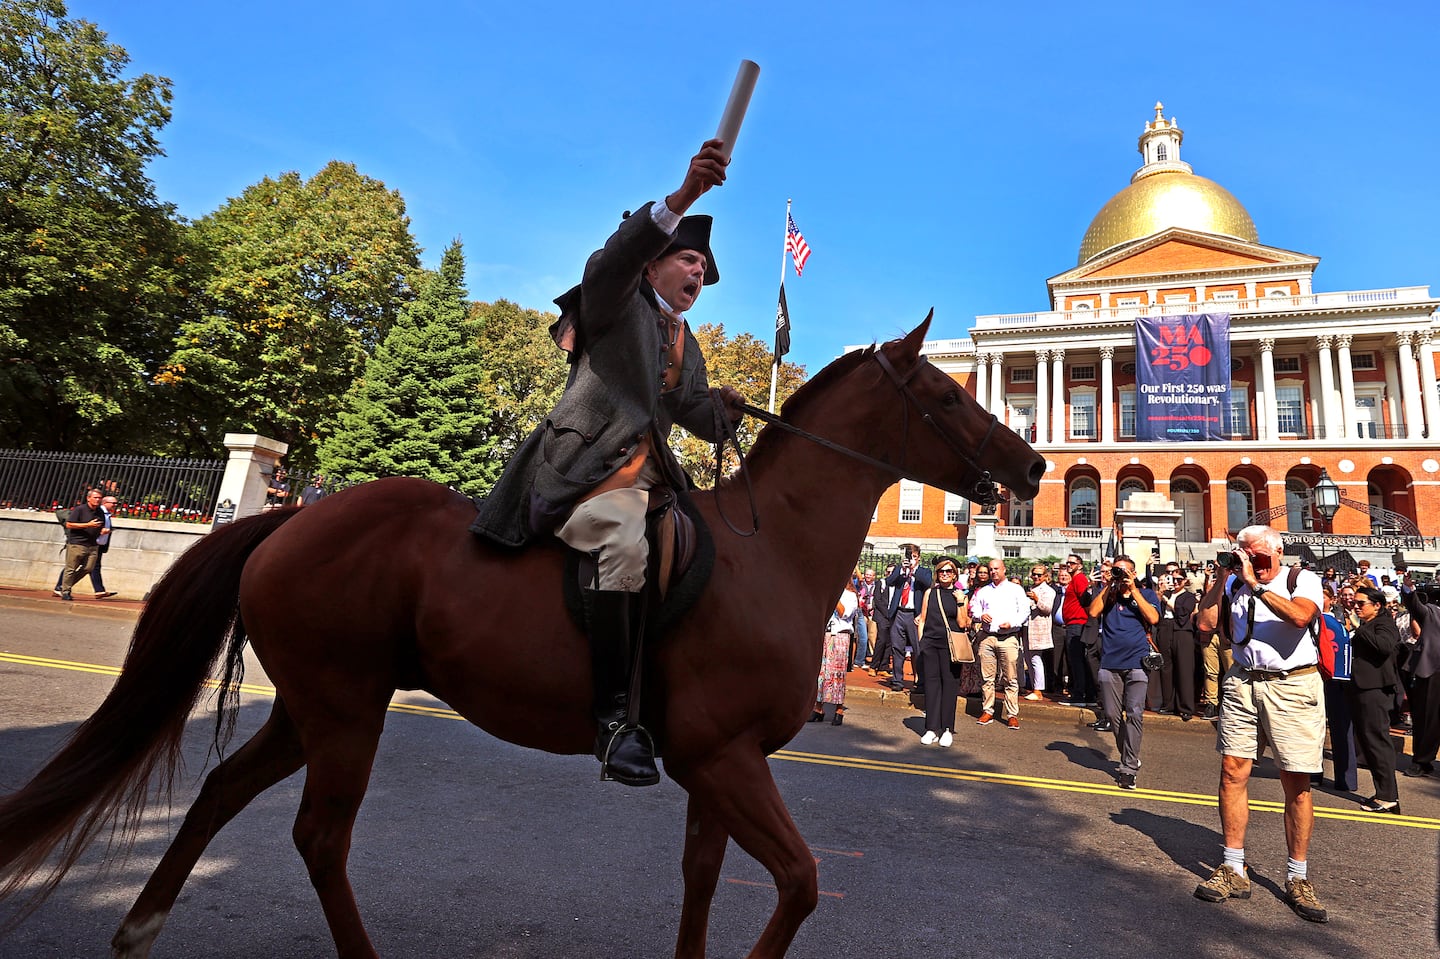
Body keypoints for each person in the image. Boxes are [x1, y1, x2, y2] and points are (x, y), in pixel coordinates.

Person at [469, 139, 744, 787]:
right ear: (652, 265)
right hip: (581, 471)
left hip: (651, 479)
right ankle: (615, 719)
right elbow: (610, 257)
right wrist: (681, 199)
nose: (699, 272)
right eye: (688, 258)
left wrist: (724, 410)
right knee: (621, 543)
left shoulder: (681, 334)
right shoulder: (616, 294)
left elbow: (694, 411)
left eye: (705, 266)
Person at [1194, 525, 1329, 923]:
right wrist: (1222, 580)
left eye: (1259, 557)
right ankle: (1234, 867)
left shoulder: (1300, 579)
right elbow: (1205, 624)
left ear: (1279, 551)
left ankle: (1297, 875)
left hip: (1293, 685)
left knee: (1296, 783)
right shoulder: (1235, 583)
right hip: (1243, 680)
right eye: (1245, 556)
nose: (1252, 563)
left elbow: (1301, 617)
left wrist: (1256, 585)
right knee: (1231, 773)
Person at [1087, 555, 1160, 788]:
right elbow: (1093, 612)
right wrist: (1109, 584)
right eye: (1115, 570)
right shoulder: (1109, 595)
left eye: (1123, 571)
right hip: (1110, 663)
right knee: (1111, 714)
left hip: (1138, 663)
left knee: (1135, 714)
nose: (1119, 574)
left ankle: (1128, 767)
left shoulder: (1146, 594)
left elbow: (1154, 618)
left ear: (1134, 573)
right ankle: (1129, 754)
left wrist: (1133, 589)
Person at [1344, 585, 1402, 813]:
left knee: (1377, 742)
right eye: (1354, 603)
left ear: (1377, 606)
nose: (1355, 607)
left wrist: (1359, 628)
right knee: (1368, 741)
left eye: (1361, 604)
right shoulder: (1370, 624)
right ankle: (1383, 793)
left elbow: (1385, 647)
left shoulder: (1384, 623)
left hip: (1375, 690)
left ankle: (1388, 797)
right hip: (1361, 687)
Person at [914, 557, 969, 745]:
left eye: (948, 571)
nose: (945, 574)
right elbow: (922, 618)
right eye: (941, 571)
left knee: (949, 686)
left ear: (954, 575)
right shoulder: (930, 593)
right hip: (930, 643)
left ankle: (947, 728)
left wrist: (961, 602)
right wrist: (921, 642)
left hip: (950, 646)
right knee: (931, 685)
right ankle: (931, 728)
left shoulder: (960, 595)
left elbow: (963, 623)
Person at [971, 557, 1029, 728]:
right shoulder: (983, 591)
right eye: (991, 569)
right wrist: (980, 615)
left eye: (996, 568)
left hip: (1008, 637)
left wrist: (1013, 623)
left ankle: (1011, 714)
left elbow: (1024, 611)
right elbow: (974, 608)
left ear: (1004, 570)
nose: (993, 572)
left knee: (1011, 678)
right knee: (987, 677)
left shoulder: (1016, 590)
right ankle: (987, 710)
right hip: (987, 636)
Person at [1318, 584, 1359, 792]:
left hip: (1340, 678)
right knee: (1314, 728)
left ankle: (1346, 779)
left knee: (1342, 730)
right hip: (1318, 676)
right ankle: (1313, 773)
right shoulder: (1313, 619)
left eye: (1323, 596)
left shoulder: (1341, 619)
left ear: (1332, 600)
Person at [1401, 578, 1440, 778]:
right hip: (1432, 671)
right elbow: (1414, 605)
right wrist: (1409, 588)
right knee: (1426, 719)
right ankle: (1421, 761)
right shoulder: (1432, 611)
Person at [53, 493, 118, 599]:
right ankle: (66, 591)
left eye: (99, 498)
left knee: (88, 568)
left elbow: (98, 526)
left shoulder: (100, 512)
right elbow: (69, 524)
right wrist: (88, 525)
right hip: (77, 544)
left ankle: (63, 586)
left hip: (93, 545)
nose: (97, 500)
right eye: (95, 497)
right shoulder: (80, 509)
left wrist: (102, 530)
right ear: (89, 498)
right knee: (71, 568)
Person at [885, 546, 932, 692]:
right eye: (909, 556)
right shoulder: (900, 571)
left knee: (917, 649)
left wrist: (914, 570)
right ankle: (897, 680)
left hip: (914, 615)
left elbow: (927, 582)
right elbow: (889, 581)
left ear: (918, 558)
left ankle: (920, 682)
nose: (911, 559)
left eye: (914, 556)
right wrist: (901, 570)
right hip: (899, 613)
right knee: (897, 648)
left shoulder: (924, 571)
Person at [812, 583, 857, 727]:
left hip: (840, 637)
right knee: (821, 673)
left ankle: (839, 709)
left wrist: (834, 596)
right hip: (826, 635)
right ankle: (818, 708)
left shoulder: (850, 596)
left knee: (837, 674)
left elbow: (844, 613)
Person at [1058, 553, 1094, 706]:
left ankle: (1080, 694)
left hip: (1077, 623)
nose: (1069, 565)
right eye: (1067, 563)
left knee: (1077, 660)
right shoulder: (1076, 580)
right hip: (1074, 623)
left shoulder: (1079, 579)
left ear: (1079, 565)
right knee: (1078, 660)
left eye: (1072, 563)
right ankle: (1087, 694)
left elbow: (1085, 600)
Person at [1022, 564, 1056, 700]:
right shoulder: (1031, 588)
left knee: (1036, 658)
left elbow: (1047, 609)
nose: (1036, 577)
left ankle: (1038, 690)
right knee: (1028, 658)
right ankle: (1033, 686)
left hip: (1039, 628)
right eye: (1034, 574)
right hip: (1027, 627)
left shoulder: (1048, 591)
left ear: (1045, 576)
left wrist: (1037, 599)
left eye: (1039, 575)